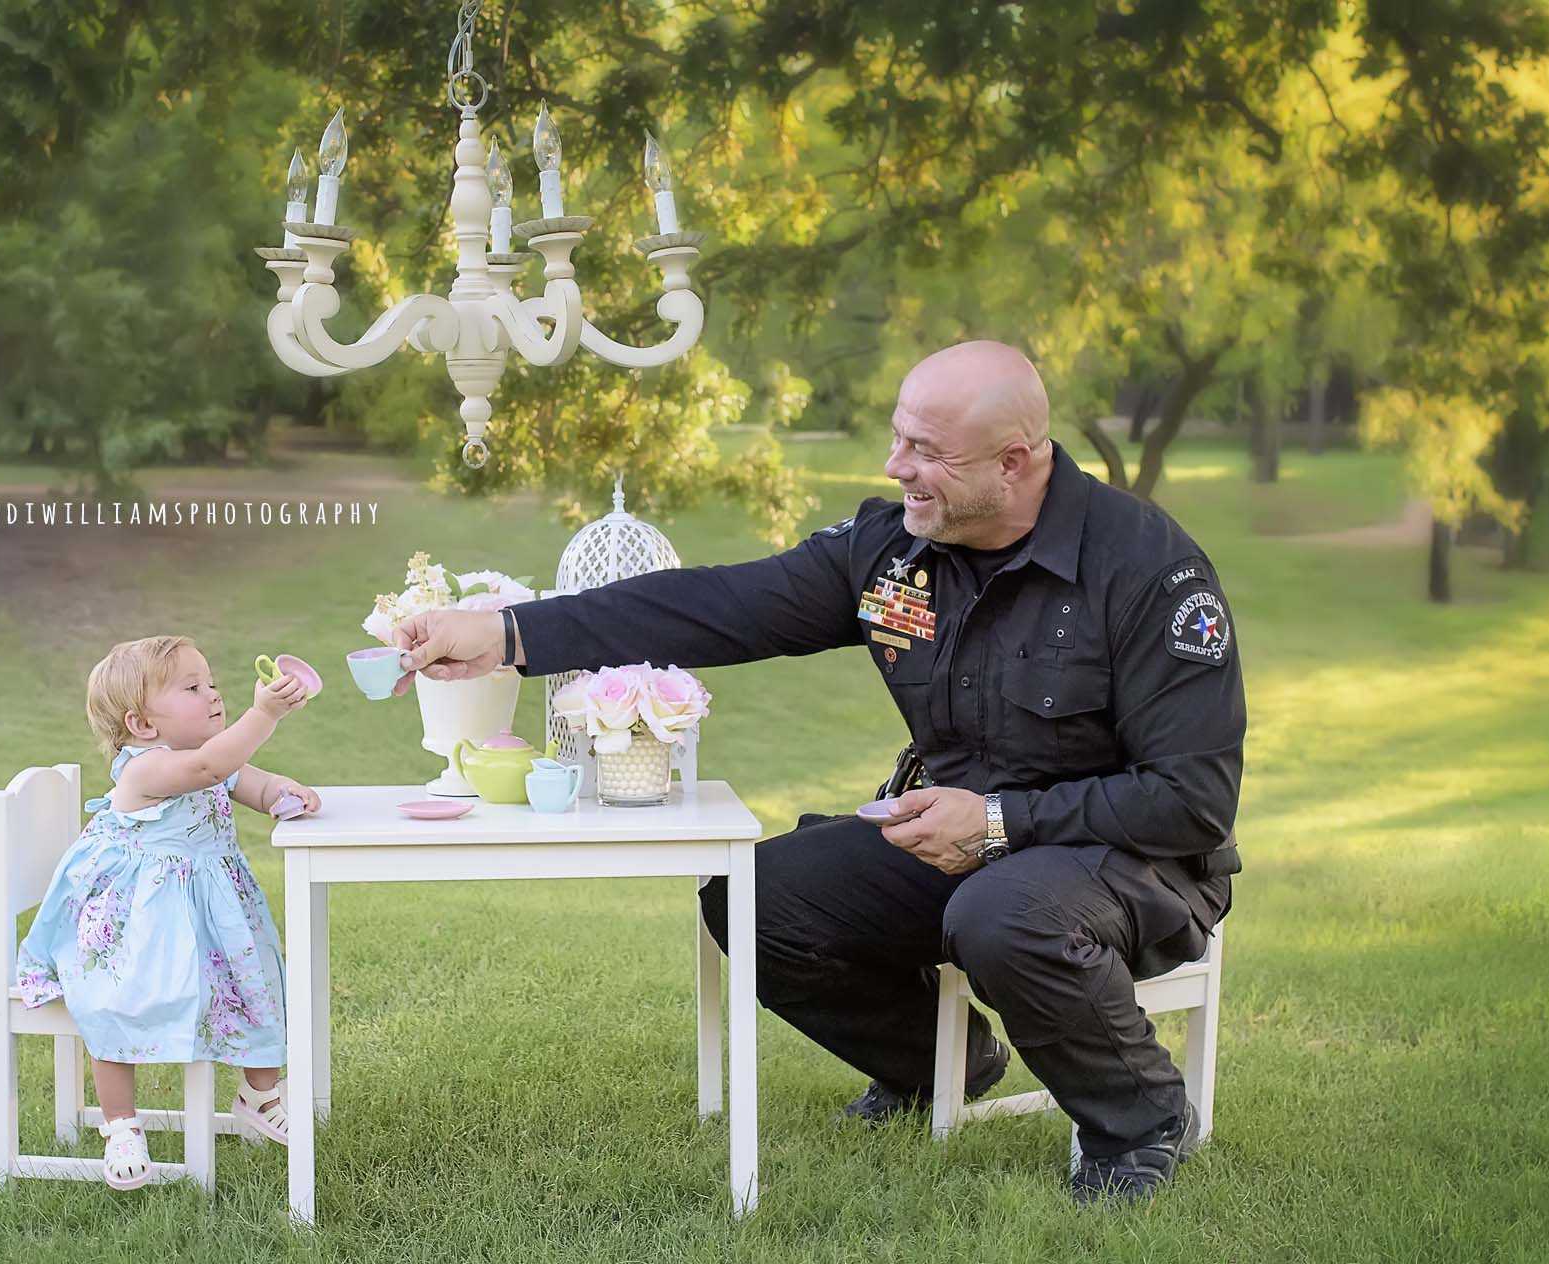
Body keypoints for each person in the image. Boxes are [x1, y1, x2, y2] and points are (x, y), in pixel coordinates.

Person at [390, 341, 1245, 1205]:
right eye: (898, 438)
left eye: (926, 452)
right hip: (952, 833)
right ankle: (937, 1063)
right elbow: (713, 605)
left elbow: (1191, 802)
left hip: (1127, 857)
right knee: (750, 896)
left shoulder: (1147, 571)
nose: (895, 466)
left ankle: (1140, 1120)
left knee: (1003, 913)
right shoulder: (893, 552)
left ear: (1014, 462)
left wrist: (995, 822)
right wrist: (503, 632)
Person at [12, 635, 320, 1190]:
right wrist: (264, 713)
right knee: (113, 1001)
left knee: (258, 981)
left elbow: (246, 778)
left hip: (206, 920)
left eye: (212, 684)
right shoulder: (148, 771)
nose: (212, 695)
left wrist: (282, 792)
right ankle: (121, 1125)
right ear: (142, 724)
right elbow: (211, 765)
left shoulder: (210, 760)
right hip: (138, 926)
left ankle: (259, 1091)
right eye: (192, 688)